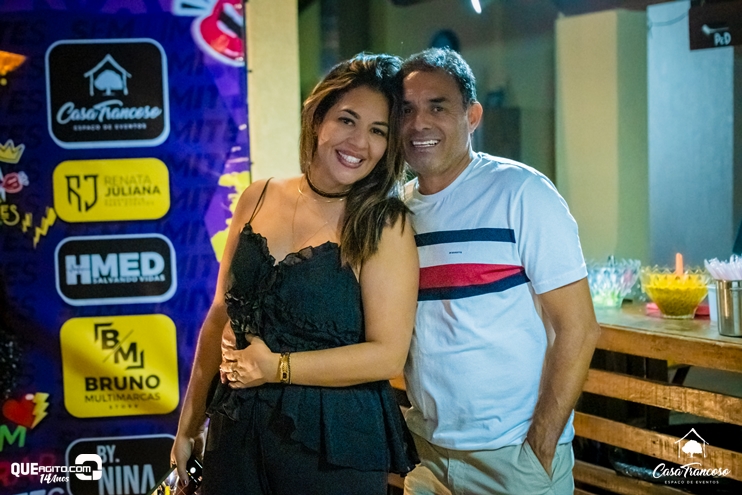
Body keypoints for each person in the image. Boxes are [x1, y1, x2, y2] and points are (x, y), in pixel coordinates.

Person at [171, 53, 420, 495]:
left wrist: (277, 368)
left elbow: (387, 355)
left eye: (378, 131)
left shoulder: (384, 223)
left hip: (333, 446)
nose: (359, 142)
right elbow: (219, 314)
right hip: (237, 430)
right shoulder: (257, 196)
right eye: (347, 120)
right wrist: (188, 425)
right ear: (318, 118)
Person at [399, 48, 601, 495]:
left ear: (472, 116)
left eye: (437, 107)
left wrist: (541, 445)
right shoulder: (396, 211)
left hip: (513, 458)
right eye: (406, 110)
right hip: (427, 454)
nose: (419, 123)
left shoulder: (522, 193)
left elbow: (579, 328)